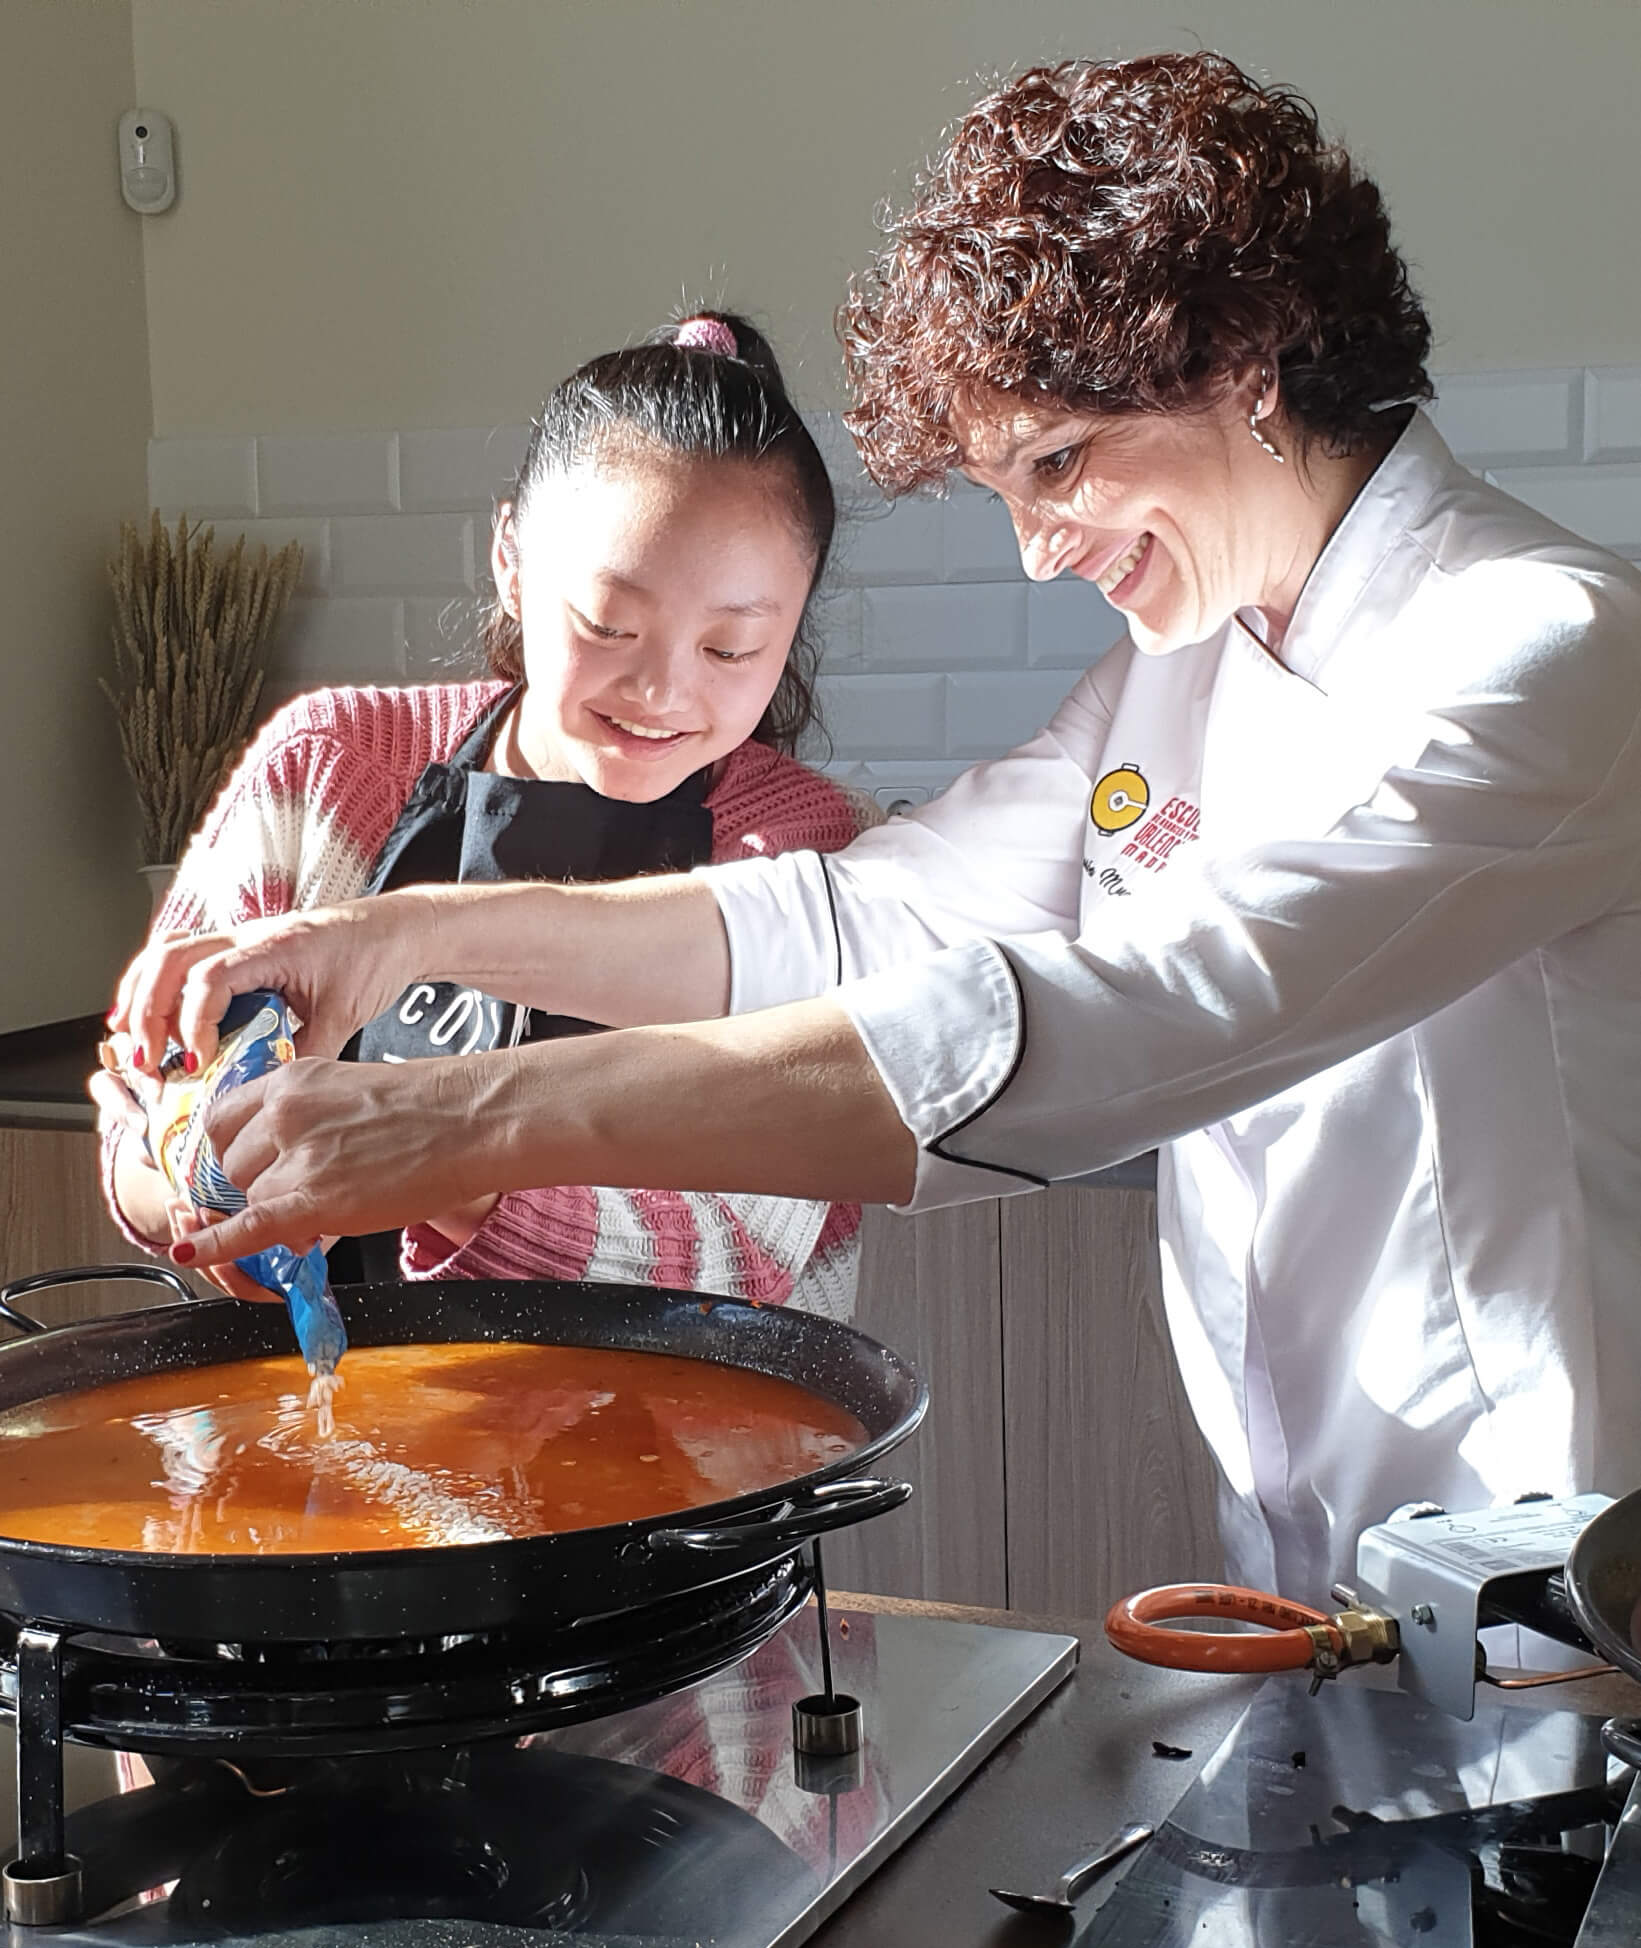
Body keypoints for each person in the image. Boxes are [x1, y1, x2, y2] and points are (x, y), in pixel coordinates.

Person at [113, 54, 1641, 1608]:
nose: (1042, 556)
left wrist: (460, 1122)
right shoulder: (1187, 671)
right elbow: (862, 918)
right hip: (1311, 1566)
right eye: (1008, 492)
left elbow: (1152, 1016)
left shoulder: (1546, 649)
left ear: (1247, 358)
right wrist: (397, 935)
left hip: (1559, 1556)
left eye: (1055, 465)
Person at [96, 310, 871, 1319]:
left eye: (729, 650)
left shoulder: (808, 855)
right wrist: (206, 1175)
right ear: (510, 556)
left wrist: (431, 1157)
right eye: (608, 624)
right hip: (356, 1435)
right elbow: (140, 1110)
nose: (660, 689)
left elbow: (743, 1251)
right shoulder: (330, 765)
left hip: (709, 1447)